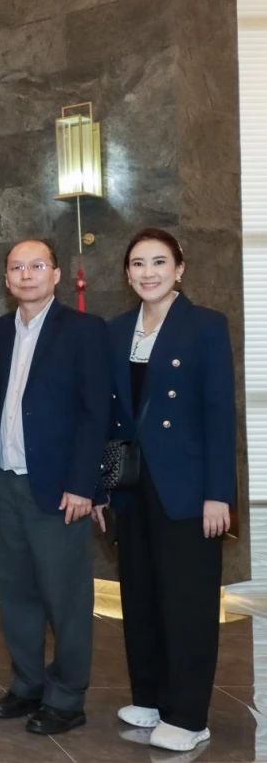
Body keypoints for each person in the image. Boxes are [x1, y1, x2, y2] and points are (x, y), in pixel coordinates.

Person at [93, 228, 236, 753]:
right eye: (138, 263)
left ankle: (189, 715)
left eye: (158, 262)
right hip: (132, 486)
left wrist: (219, 493)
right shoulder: (116, 330)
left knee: (187, 602)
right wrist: (101, 488)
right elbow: (109, 417)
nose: (148, 272)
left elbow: (219, 415)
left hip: (188, 488)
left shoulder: (205, 326)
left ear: (180, 268)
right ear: (127, 273)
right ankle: (150, 698)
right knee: (141, 595)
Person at [0, 240, 109, 736]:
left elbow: (95, 413)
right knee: (17, 594)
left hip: (60, 489)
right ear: (6, 278)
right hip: (7, 481)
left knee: (66, 597)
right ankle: (27, 684)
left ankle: (67, 697)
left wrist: (84, 485)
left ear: (56, 274)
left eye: (37, 265)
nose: (26, 274)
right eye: (17, 267)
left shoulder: (83, 330)